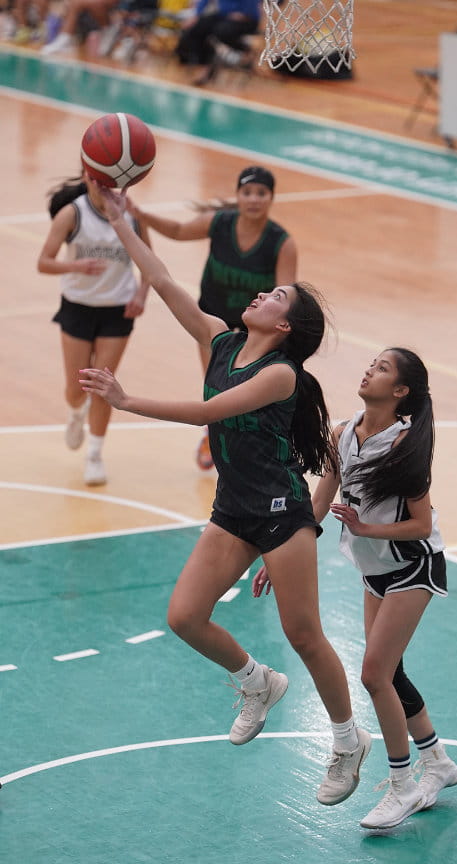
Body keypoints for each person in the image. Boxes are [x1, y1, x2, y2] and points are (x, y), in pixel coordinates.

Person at [79, 181, 371, 806]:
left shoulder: (280, 374)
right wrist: (122, 218)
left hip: (281, 514)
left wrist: (127, 401)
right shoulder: (219, 340)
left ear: (285, 324)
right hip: (234, 508)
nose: (260, 293)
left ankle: (348, 741)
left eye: (274, 296)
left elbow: (204, 411)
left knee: (305, 634)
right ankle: (256, 681)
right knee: (184, 616)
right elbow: (160, 279)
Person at [254, 347, 457, 830]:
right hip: (375, 571)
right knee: (392, 673)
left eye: (383, 368)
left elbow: (420, 524)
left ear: (401, 392)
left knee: (375, 675)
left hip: (414, 565)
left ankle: (403, 787)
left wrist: (366, 530)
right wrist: (279, 551)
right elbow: (319, 501)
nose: (371, 369)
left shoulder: (403, 446)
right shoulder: (343, 434)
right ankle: (439, 763)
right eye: (373, 363)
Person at [131, 164, 297, 470]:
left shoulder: (281, 242)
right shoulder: (220, 222)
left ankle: (253, 441)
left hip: (254, 328)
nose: (254, 199)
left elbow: (286, 294)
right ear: (238, 196)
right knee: (217, 387)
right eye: (247, 192)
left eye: (261, 193)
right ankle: (212, 434)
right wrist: (141, 215)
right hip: (213, 321)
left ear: (271, 198)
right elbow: (179, 231)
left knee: (245, 393)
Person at [37, 173, 151, 485]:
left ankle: (94, 455)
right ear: (89, 178)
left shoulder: (131, 214)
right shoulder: (72, 213)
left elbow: (149, 263)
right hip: (78, 306)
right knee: (76, 389)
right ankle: (75, 413)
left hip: (118, 310)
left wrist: (141, 296)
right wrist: (75, 266)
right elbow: (43, 262)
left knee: (103, 387)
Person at [174, 0, 260, 85]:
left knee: (220, 31)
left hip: (246, 19)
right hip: (224, 16)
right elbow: (204, 1)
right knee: (199, 26)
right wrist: (196, 16)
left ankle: (243, 50)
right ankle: (201, 64)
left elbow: (252, 4)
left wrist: (245, 14)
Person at [41, 0, 120, 54]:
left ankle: (108, 30)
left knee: (93, 3)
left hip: (115, 8)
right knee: (75, 2)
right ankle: (62, 41)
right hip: (88, 8)